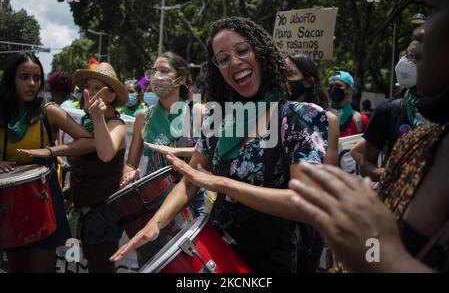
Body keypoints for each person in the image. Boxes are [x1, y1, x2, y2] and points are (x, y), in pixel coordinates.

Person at [111, 17, 329, 273]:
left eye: (242, 50)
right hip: (216, 250)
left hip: (269, 260)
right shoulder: (220, 120)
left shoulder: (299, 117)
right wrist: (155, 224)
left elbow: (304, 203)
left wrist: (222, 183)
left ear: (261, 53)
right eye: (223, 58)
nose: (235, 62)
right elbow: (190, 181)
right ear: (218, 70)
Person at [288, 0, 449, 272]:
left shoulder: (337, 119)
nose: (420, 32)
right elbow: (365, 160)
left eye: (436, 11)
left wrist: (384, 258)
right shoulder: (419, 143)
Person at [19, 62, 129, 273]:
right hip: (83, 214)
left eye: (99, 88)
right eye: (88, 87)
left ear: (112, 96)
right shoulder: (87, 123)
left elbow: (106, 155)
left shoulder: (117, 125)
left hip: (102, 215)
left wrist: (98, 117)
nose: (90, 92)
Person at [0, 53, 93, 273]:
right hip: (9, 202)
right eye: (24, 77)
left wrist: (50, 150)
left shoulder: (48, 111)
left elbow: (89, 141)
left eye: (36, 78)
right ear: (11, 79)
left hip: (44, 199)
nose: (32, 83)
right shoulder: (1, 112)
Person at [120, 52, 206, 215]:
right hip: (154, 200)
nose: (157, 77)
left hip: (190, 199)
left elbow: (210, 155)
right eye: (153, 72)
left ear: (181, 79)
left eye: (164, 71)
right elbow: (131, 163)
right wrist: (128, 174)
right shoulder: (143, 117)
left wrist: (176, 151)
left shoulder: (197, 113)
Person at [356, 40, 429, 182]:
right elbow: (366, 164)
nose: (407, 61)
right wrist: (388, 175)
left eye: (415, 56)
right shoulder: (387, 110)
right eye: (407, 55)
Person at [285, 53, 339, 166]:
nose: (283, 78)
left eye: (290, 73)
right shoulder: (269, 114)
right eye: (281, 72)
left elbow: (328, 170)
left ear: (308, 82)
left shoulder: (329, 120)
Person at [328, 70, 368, 137]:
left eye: (338, 85)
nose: (333, 88)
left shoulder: (360, 120)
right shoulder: (320, 115)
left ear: (349, 89)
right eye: (331, 86)